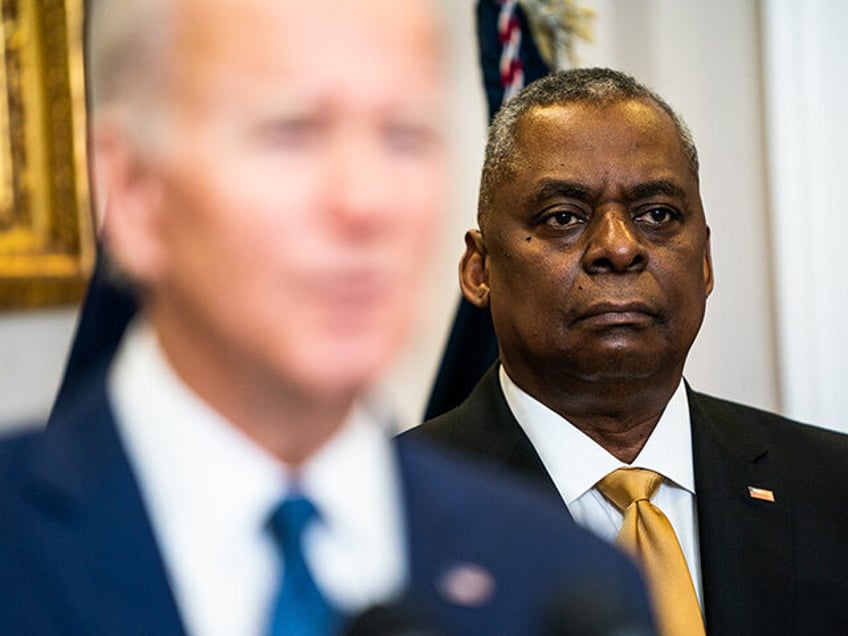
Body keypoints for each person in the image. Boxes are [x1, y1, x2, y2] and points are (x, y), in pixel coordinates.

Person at [0, 5, 654, 636]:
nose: (365, 202)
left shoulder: (569, 589)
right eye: (292, 131)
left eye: (404, 135)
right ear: (137, 190)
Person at [409, 67, 848, 635]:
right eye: (563, 217)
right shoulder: (385, 518)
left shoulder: (833, 490)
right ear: (480, 268)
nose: (619, 247)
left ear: (706, 261)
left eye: (657, 215)